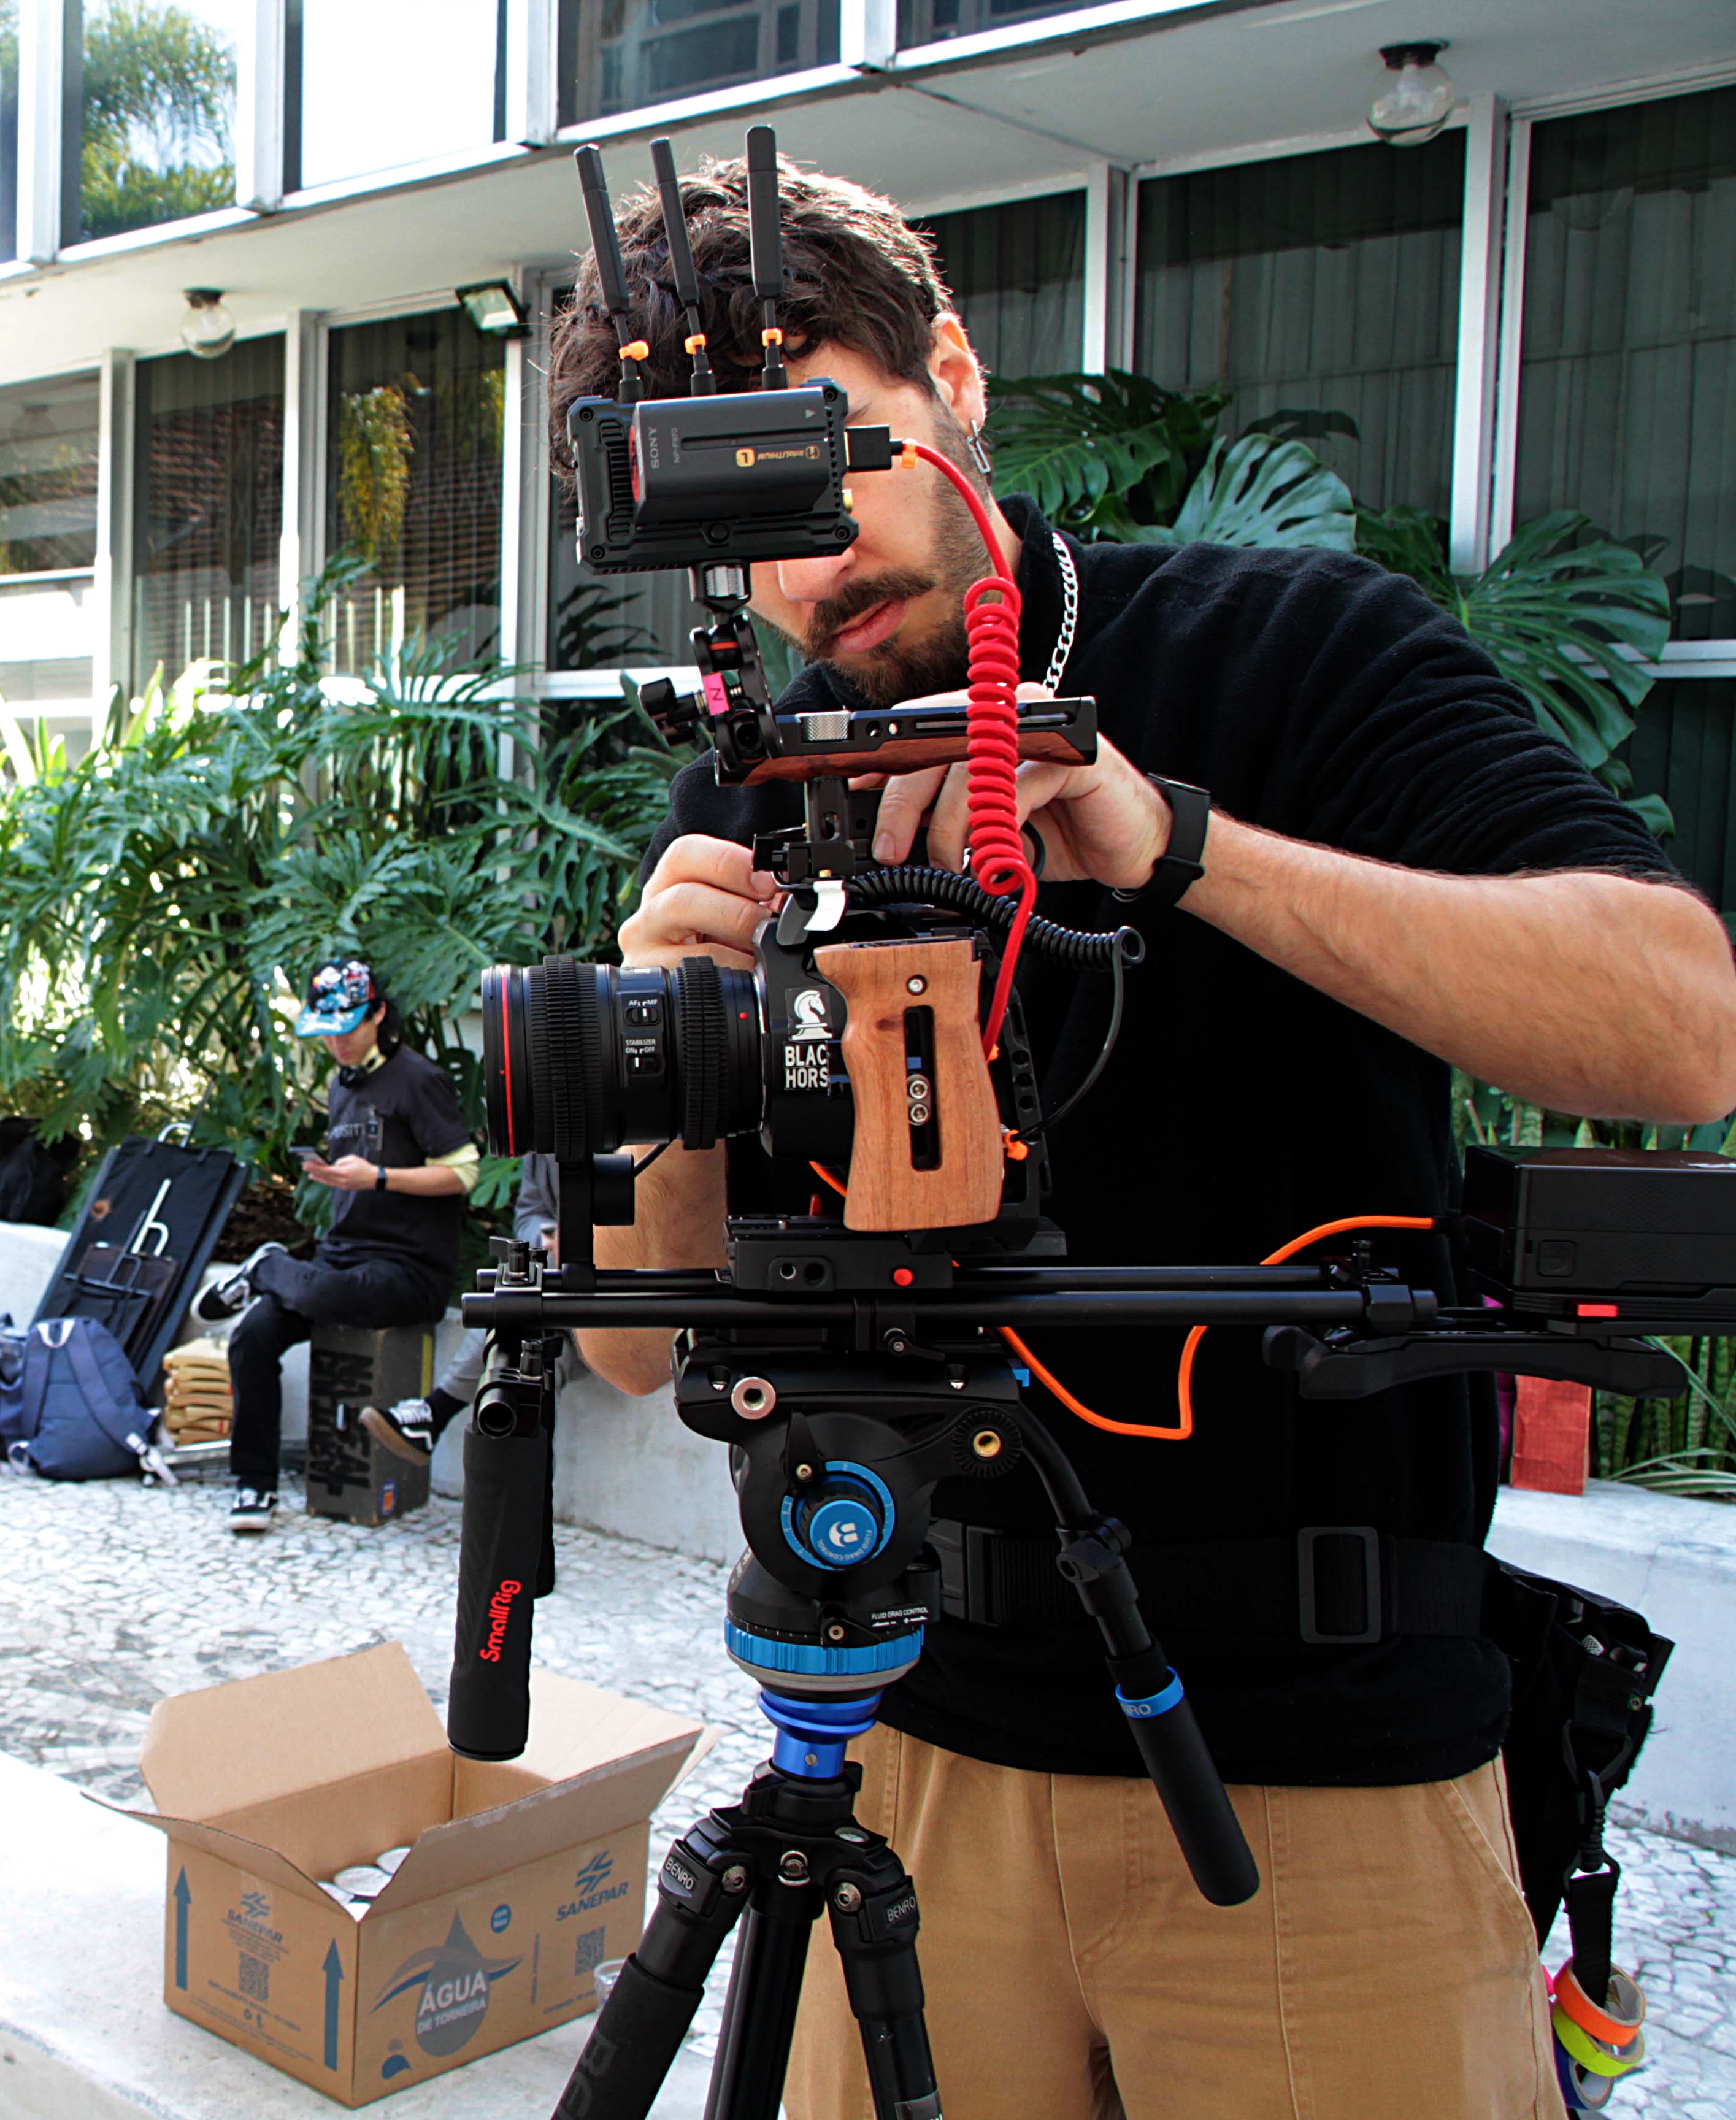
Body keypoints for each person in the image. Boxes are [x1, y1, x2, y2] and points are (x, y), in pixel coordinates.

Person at [554, 152, 1736, 2119]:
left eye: (825, 458)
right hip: (912, 1741)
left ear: (953, 378)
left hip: (1321, 1760)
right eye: (736, 521)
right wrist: (674, 1059)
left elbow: (1685, 1024)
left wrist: (1177, 844)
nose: (810, 572)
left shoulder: (1288, 649)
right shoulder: (750, 797)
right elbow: (625, 1350)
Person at [191, 959, 477, 1534]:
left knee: (323, 1294)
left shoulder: (417, 1080)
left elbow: (464, 1173)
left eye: (348, 1029)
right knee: (253, 1335)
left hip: (408, 1269)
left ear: (378, 1015)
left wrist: (378, 1178)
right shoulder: (340, 1085)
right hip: (340, 1260)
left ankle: (267, 1267)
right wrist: (340, 1178)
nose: (338, 1044)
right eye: (327, 1033)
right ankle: (254, 1485)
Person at [365, 1150, 556, 1461]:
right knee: (523, 1356)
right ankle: (440, 1419)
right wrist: (548, 1237)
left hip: (614, 1296)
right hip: (553, 1307)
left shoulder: (633, 1143)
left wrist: (589, 1239)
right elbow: (529, 1215)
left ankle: (436, 1412)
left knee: (517, 1315)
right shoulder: (543, 1144)